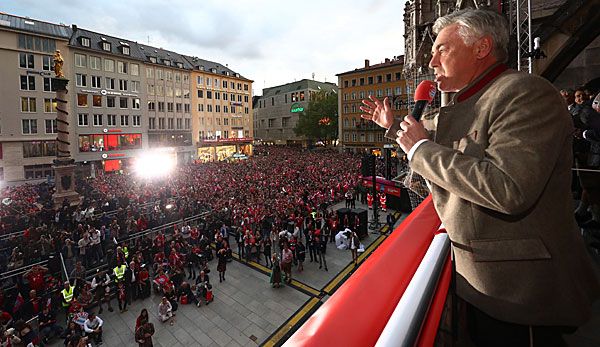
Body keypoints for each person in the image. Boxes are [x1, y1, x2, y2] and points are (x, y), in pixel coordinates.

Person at [360, 8, 600, 346]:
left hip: (520, 291)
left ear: (481, 47)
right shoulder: (466, 103)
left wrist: (421, 150)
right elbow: (422, 135)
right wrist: (391, 127)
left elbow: (509, 187)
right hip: (484, 283)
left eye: (441, 49)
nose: (431, 62)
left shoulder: (523, 93)